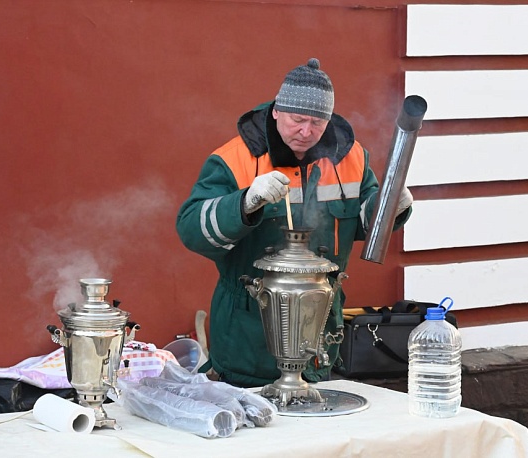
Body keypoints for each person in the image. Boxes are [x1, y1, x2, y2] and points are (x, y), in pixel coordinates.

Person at [175, 58, 413, 388]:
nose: (306, 131)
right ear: (276, 111)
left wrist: (391, 206)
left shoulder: (351, 158)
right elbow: (191, 229)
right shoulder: (235, 158)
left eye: (317, 122)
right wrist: (244, 204)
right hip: (248, 333)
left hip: (320, 329)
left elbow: (363, 222)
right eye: (297, 119)